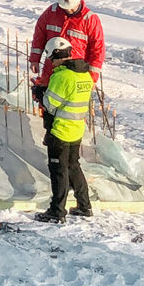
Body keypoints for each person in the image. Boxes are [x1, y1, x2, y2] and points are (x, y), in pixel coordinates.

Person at [35, 35, 94, 222]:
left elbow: (50, 105)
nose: (51, 63)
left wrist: (39, 93)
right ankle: (84, 206)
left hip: (60, 131)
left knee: (58, 170)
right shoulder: (85, 75)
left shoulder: (61, 76)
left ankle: (57, 211)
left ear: (56, 55)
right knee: (73, 166)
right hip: (77, 129)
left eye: (51, 58)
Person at [29, 0, 105, 103]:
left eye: (71, 7)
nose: (68, 10)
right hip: (51, 69)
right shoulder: (51, 12)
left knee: (70, 110)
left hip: (75, 73)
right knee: (47, 105)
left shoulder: (89, 19)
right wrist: (35, 58)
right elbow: (39, 35)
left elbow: (97, 49)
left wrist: (92, 77)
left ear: (79, 1)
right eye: (64, 7)